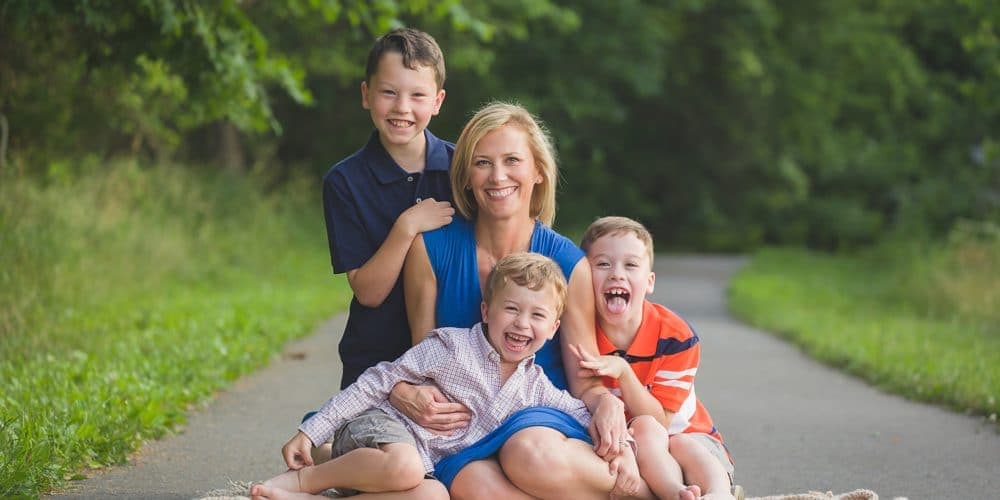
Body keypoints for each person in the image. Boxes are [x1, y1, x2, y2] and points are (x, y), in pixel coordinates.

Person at [397, 102, 644, 499]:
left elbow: (584, 378)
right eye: (482, 163)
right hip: (465, 430)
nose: (498, 177)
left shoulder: (567, 263)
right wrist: (401, 392)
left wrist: (607, 405)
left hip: (539, 425)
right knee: (474, 487)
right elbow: (419, 360)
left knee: (526, 453)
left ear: (538, 172)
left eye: (512, 160)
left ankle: (644, 493)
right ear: (465, 177)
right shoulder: (430, 249)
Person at [250, 253, 610, 500]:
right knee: (404, 466)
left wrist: (621, 442)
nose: (521, 323)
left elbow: (581, 413)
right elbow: (378, 381)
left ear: (553, 329)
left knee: (434, 495)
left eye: (536, 316)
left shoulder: (535, 386)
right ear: (486, 311)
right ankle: (305, 480)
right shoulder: (451, 346)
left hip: (422, 468)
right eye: (512, 309)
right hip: (380, 432)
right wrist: (312, 430)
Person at [321, 26, 455, 394]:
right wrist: (407, 225)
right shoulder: (344, 181)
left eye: (417, 95)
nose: (402, 108)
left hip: (455, 360)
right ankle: (330, 439)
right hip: (375, 360)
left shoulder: (464, 169)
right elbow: (369, 292)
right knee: (385, 450)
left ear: (438, 101)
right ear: (367, 94)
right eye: (389, 92)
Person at [577, 216, 742, 500]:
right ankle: (678, 495)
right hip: (630, 448)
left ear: (649, 281)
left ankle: (720, 493)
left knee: (677, 442)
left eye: (630, 265)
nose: (617, 274)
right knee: (624, 450)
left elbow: (658, 421)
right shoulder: (579, 333)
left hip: (691, 442)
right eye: (603, 264)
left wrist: (624, 373)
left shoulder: (675, 336)